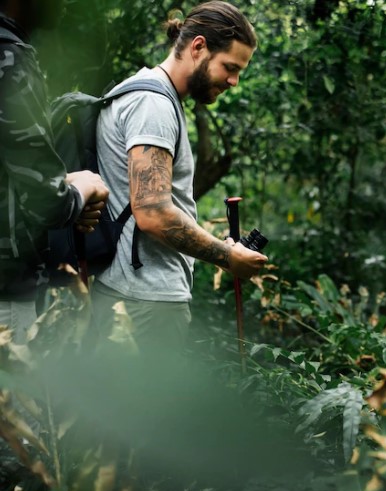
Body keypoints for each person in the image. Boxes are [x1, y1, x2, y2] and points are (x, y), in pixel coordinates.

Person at [89, 1, 267, 354]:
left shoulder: (151, 95)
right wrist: (226, 256)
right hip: (145, 300)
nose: (234, 81)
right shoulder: (152, 105)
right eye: (230, 67)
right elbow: (153, 213)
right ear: (198, 47)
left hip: (134, 294)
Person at [0, 0, 109, 344]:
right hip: (7, 290)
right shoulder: (11, 58)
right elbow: (46, 203)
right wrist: (84, 188)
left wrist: (64, 183)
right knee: (18, 397)